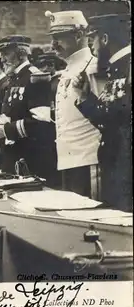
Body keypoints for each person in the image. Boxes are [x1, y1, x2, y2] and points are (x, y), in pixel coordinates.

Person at [75, 14, 132, 212]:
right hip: (116, 164)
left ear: (105, 39)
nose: (92, 48)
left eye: (93, 40)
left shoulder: (126, 67)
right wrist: (85, 98)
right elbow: (110, 119)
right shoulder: (117, 68)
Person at [0, 35, 58, 186]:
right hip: (12, 156)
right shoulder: (14, 77)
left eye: (6, 53)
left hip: (30, 159)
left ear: (21, 53)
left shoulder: (35, 77)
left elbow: (41, 123)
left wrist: (5, 130)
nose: (2, 59)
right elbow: (13, 112)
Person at [44, 10, 101, 196]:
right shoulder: (68, 70)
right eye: (52, 38)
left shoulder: (93, 67)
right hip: (67, 159)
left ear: (78, 36)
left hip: (88, 159)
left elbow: (104, 115)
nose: (53, 44)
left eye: (59, 38)